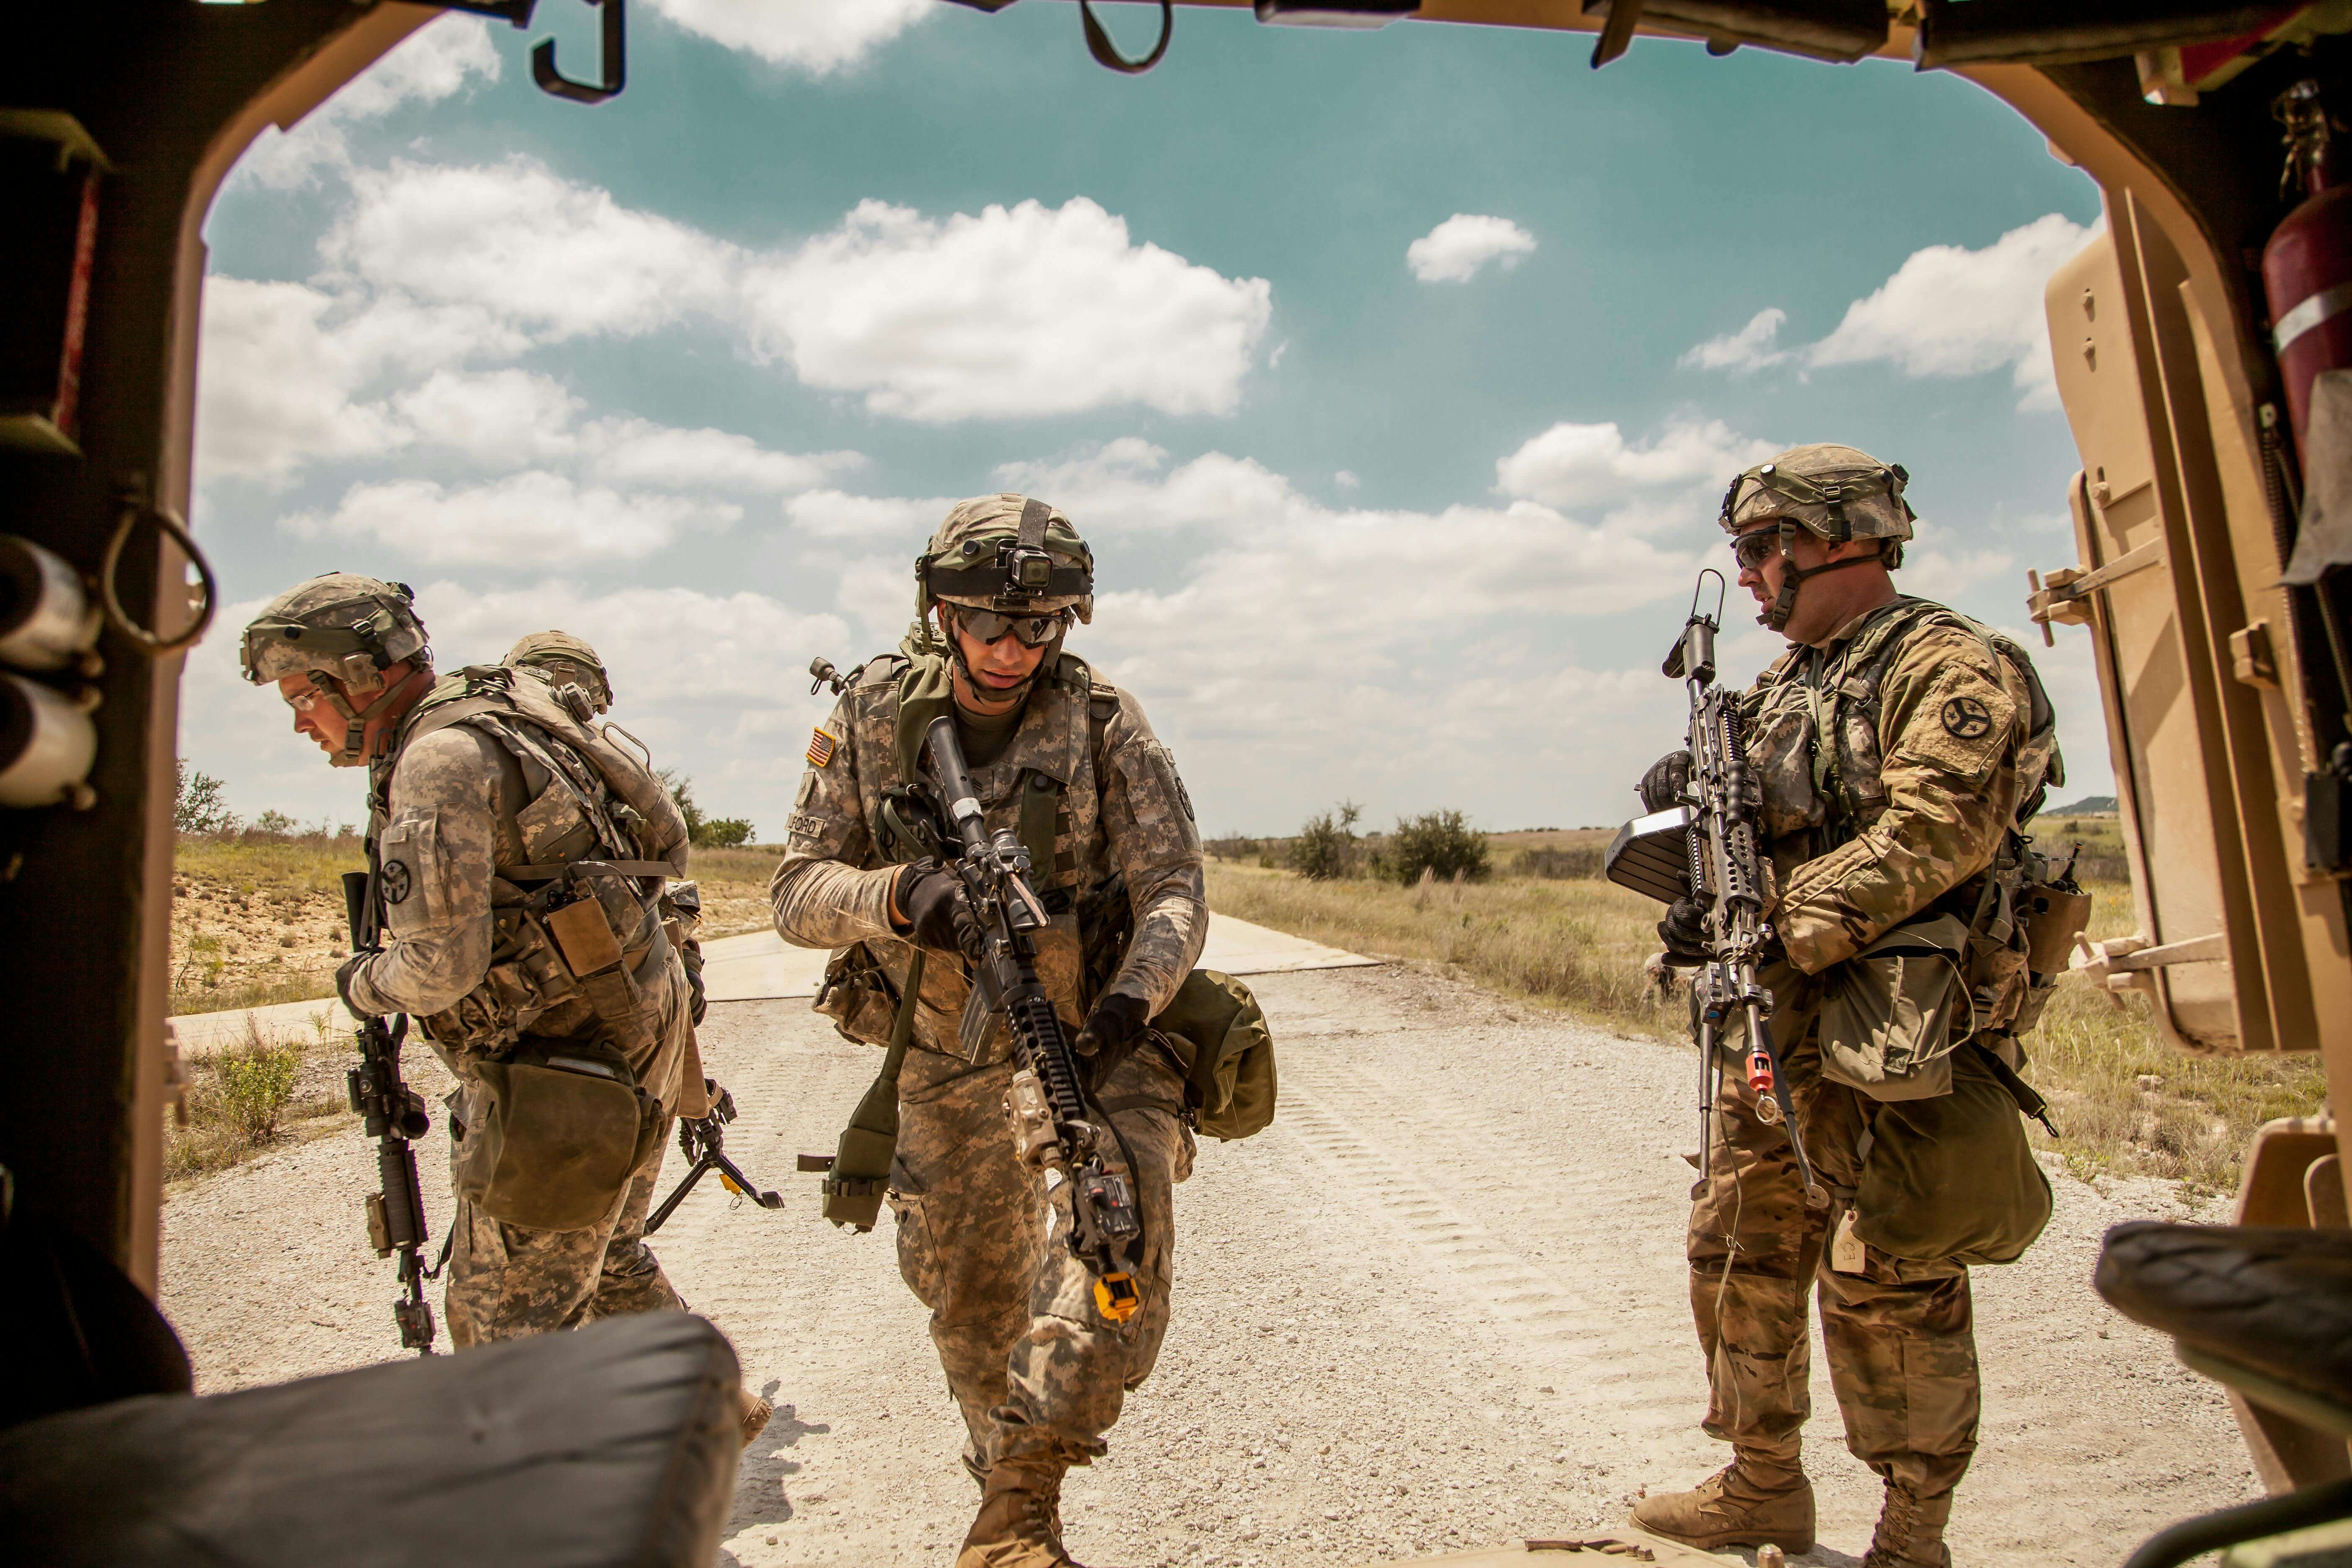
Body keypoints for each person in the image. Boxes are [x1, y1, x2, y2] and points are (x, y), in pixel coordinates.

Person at [1628, 447, 2063, 1568]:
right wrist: (1700, 884)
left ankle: (1913, 1536)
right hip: (1771, 1030)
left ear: (1836, 540)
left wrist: (1776, 911)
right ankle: (1760, 1485)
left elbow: (1935, 834)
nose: (1748, 575)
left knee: (1892, 1281)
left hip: (1895, 1032)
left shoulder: (1949, 665)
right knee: (1739, 1250)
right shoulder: (1785, 688)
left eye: (1760, 550)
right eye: (1742, 554)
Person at [771, 494, 1207, 1568]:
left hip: (1093, 1040)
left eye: (1041, 626)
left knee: (1110, 1250)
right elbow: (791, 892)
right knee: (970, 1304)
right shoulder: (874, 718)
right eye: (988, 625)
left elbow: (1176, 890)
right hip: (942, 1056)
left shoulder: (1104, 720)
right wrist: (899, 897)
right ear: (938, 614)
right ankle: (1006, 1505)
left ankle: (1024, 1501)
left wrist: (1126, 1006)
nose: (1013, 649)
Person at [238, 576, 767, 1442]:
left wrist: (359, 980)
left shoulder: (437, 760)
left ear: (360, 678)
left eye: (304, 696)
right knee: (606, 1260)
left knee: (500, 1342)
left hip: (562, 1084)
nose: (301, 721)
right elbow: (668, 838)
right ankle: (708, 1415)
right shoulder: (512, 702)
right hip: (638, 1039)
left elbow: (438, 970)